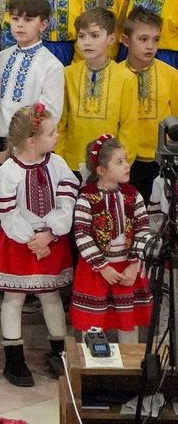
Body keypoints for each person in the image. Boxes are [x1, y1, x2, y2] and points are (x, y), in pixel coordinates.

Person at [0, 103, 78, 386]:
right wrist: (32, 240)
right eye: (51, 133)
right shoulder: (9, 171)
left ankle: (60, 354)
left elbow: (68, 199)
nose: (56, 138)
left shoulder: (57, 164)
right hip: (19, 242)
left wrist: (50, 233)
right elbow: (8, 213)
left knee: (50, 296)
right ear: (31, 140)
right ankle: (14, 358)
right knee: (15, 298)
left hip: (50, 239)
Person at [71, 135, 152, 343]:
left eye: (125, 160)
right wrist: (102, 266)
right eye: (119, 162)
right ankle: (94, 370)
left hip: (127, 270)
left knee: (128, 322)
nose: (127, 165)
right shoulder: (86, 197)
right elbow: (82, 234)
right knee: (93, 325)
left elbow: (143, 230)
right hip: (96, 272)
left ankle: (128, 370)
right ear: (101, 170)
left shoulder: (134, 195)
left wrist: (134, 264)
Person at [0, 0, 65, 173]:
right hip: (0, 142)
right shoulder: (2, 58)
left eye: (28, 20)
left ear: (43, 24)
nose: (19, 25)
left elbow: (49, 114)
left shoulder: (52, 65)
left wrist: (16, 151)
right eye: (16, 18)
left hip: (32, 147)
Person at [57, 8, 139, 172]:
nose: (87, 42)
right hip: (71, 163)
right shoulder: (67, 74)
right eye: (81, 36)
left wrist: (120, 164)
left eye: (94, 35)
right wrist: (60, 159)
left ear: (110, 39)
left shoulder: (126, 78)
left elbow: (129, 128)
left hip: (109, 167)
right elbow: (61, 122)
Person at [119, 8, 178, 212]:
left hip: (161, 162)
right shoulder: (115, 74)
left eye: (155, 39)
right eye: (143, 39)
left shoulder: (171, 75)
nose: (150, 46)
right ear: (126, 40)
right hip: (125, 161)